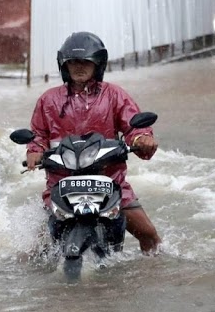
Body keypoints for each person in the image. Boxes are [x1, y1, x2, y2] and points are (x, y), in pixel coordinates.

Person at [25, 32, 161, 254]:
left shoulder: (115, 95)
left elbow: (133, 126)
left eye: (86, 62)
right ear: (64, 66)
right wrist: (34, 150)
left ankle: (155, 271)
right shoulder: (48, 100)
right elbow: (38, 134)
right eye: (73, 62)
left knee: (149, 235)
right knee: (34, 251)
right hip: (61, 185)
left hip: (110, 183)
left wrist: (141, 138)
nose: (79, 67)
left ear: (98, 64)